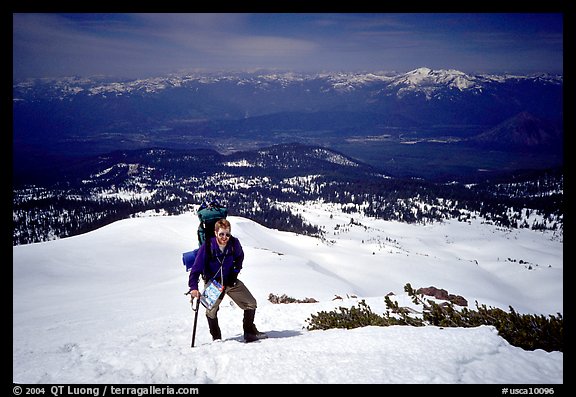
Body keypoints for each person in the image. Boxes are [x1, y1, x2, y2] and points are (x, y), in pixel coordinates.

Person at [188, 218, 267, 343]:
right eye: (221, 234)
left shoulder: (234, 244)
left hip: (230, 281)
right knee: (211, 311)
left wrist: (235, 273)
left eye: (227, 234)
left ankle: (249, 333)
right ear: (215, 233)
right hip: (214, 283)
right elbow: (196, 269)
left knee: (251, 302)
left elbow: (240, 257)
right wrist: (193, 288)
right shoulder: (207, 246)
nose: (225, 237)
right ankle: (217, 338)